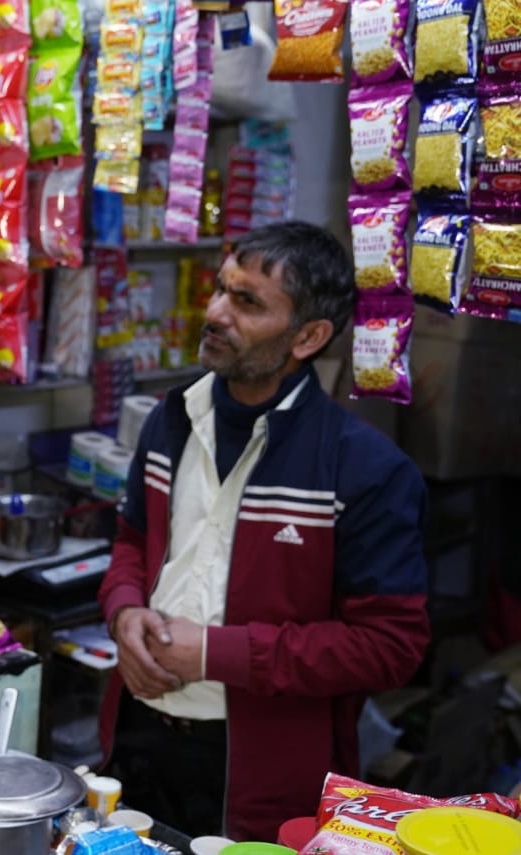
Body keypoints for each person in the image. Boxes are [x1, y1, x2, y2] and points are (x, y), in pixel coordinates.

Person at [97, 221, 429, 842]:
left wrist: (213, 653)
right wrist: (124, 615)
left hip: (257, 769)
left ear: (309, 336)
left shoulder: (365, 470)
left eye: (247, 302)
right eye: (222, 290)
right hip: (136, 734)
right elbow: (130, 543)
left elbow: (390, 646)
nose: (216, 312)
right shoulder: (171, 418)